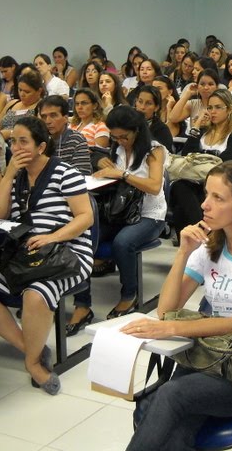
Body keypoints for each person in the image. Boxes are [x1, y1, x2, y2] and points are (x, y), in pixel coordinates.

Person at [123, 161, 232, 451]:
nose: (204, 205)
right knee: (175, 423)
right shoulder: (208, 246)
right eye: (206, 194)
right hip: (213, 355)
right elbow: (166, 310)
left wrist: (171, 328)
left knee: (172, 396)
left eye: (218, 198)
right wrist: (183, 253)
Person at [0, 116, 94, 395]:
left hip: (66, 251)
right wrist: (9, 175)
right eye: (13, 141)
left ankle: (33, 362)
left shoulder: (66, 173)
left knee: (35, 295)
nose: (16, 147)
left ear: (41, 147)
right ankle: (30, 346)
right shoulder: (15, 176)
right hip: (23, 251)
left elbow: (85, 217)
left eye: (23, 141)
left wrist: (52, 236)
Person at [87, 107, 167, 320]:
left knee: (123, 243)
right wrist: (102, 167)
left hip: (150, 215)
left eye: (124, 136)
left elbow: (154, 187)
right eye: (115, 137)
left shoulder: (154, 150)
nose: (120, 141)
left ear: (137, 131)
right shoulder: (118, 149)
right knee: (86, 233)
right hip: (121, 212)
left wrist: (122, 174)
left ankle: (129, 294)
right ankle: (81, 302)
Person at [169, 89, 232, 237]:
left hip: (221, 183)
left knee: (186, 197)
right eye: (210, 107)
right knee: (179, 186)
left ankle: (200, 236)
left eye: (218, 107)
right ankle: (201, 235)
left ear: (229, 109)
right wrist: (197, 126)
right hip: (195, 181)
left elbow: (226, 163)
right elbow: (186, 155)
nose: (213, 111)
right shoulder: (203, 131)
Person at [37, 95, 90, 175]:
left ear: (65, 118)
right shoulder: (37, 140)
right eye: (44, 116)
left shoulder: (76, 139)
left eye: (53, 115)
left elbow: (81, 173)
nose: (47, 121)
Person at [167, 68, 220, 135]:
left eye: (210, 84)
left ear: (217, 87)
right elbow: (173, 118)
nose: (206, 87)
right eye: (202, 84)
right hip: (195, 139)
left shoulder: (222, 105)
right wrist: (188, 94)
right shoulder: (192, 104)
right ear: (197, 86)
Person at [0, 71, 45, 140]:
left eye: (27, 92)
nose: (22, 94)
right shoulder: (12, 103)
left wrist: (11, 133)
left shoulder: (42, 106)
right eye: (20, 90)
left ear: (39, 91)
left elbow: (38, 132)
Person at [133, 84, 173, 152]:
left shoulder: (162, 130)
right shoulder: (125, 122)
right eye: (140, 101)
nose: (142, 107)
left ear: (156, 107)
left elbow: (164, 154)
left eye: (148, 103)